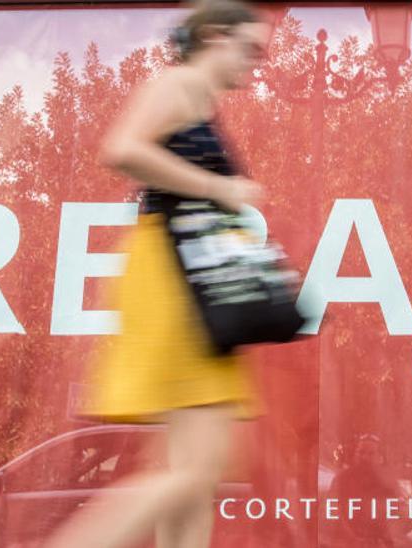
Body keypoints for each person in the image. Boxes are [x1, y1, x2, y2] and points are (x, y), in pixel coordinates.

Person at [44, 2, 270, 547]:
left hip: (183, 278)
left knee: (192, 477)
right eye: (251, 48)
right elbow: (121, 148)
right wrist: (221, 188)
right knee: (195, 472)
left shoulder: (197, 97)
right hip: (176, 280)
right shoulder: (178, 84)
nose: (256, 63)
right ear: (216, 36)